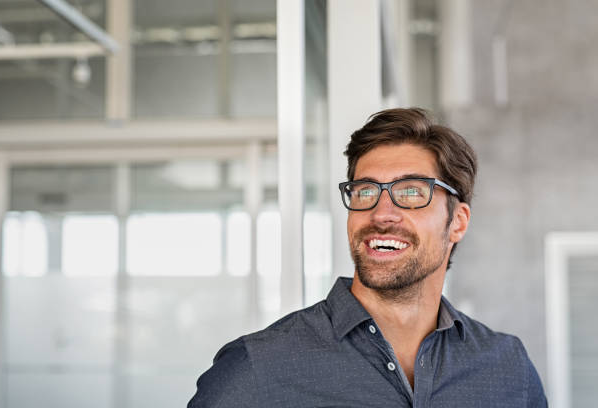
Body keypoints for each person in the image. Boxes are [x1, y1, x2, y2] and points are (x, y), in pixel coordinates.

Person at [187, 108, 547, 407]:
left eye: (410, 192)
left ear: (457, 222)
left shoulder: (507, 369)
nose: (381, 213)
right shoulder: (257, 369)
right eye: (365, 192)